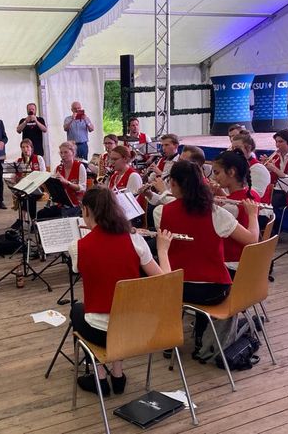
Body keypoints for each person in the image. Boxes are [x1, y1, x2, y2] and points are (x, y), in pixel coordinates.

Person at [68, 186, 172, 396]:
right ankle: (118, 375)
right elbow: (166, 282)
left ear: (86, 210)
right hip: (135, 328)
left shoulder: (78, 246)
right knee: (120, 310)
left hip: (101, 332)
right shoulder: (135, 240)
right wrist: (162, 249)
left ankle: (100, 378)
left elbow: (82, 269)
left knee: (78, 310)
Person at [153, 160, 259, 355]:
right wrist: (253, 214)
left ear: (174, 183)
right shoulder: (216, 212)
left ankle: (170, 339)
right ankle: (201, 335)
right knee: (202, 282)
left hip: (177, 290)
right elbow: (252, 240)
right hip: (214, 290)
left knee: (162, 283)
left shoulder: (161, 212)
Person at [211, 149, 263, 272]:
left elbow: (252, 240)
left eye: (217, 173)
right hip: (247, 261)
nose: (214, 177)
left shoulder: (230, 207)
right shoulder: (253, 194)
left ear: (231, 172)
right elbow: (235, 203)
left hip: (232, 263)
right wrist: (221, 193)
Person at [37, 141, 86, 220]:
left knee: (63, 216)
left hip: (76, 204)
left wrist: (67, 182)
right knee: (41, 214)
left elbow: (82, 188)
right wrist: (46, 185)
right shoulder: (58, 168)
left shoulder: (80, 166)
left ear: (73, 153)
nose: (63, 155)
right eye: (61, 153)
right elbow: (53, 191)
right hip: (63, 204)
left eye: (66, 152)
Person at [260, 129, 288, 210]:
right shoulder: (275, 156)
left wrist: (274, 169)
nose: (277, 145)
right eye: (276, 142)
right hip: (274, 189)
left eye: (281, 142)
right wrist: (264, 167)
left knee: (270, 204)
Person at [12, 138, 46, 223]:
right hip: (24, 187)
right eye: (23, 147)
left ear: (31, 148)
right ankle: (31, 220)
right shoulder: (18, 161)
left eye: (27, 147)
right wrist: (17, 178)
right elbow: (13, 177)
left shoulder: (39, 158)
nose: (25, 149)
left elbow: (43, 175)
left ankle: (24, 219)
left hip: (37, 187)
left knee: (29, 195)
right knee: (27, 195)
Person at [231, 131, 271, 202]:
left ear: (249, 148)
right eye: (233, 148)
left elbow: (254, 196)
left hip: (259, 210)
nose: (234, 152)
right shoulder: (235, 166)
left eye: (237, 148)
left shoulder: (258, 169)